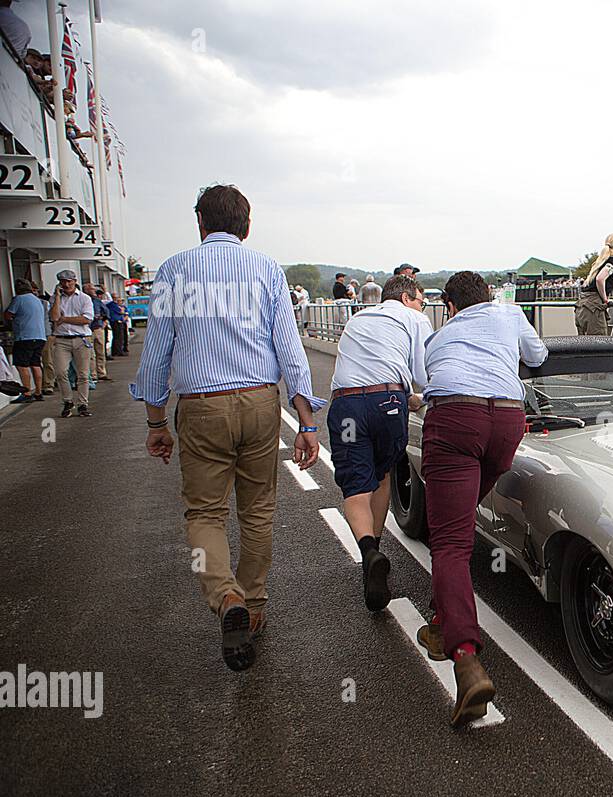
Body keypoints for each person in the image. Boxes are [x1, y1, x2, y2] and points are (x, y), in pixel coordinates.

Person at [132, 184, 323, 672]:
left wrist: (157, 421)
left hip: (200, 406)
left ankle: (227, 598)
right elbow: (289, 348)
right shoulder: (266, 270)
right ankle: (254, 607)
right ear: (247, 225)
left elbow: (157, 354)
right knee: (258, 510)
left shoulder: (174, 271)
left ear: (200, 224)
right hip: (260, 401)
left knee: (205, 513)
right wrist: (305, 421)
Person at [419, 271, 547, 727]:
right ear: (489, 296)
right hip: (508, 421)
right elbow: (539, 355)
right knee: (463, 517)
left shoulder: (438, 338)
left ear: (449, 305)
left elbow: (425, 380)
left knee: (450, 543)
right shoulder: (510, 313)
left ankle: (466, 656)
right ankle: (443, 616)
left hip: (456, 418)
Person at [328, 273, 431, 612]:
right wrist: (413, 398)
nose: (422, 305)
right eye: (420, 299)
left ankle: (369, 551)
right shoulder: (415, 319)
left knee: (356, 488)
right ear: (406, 299)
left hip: (346, 405)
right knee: (383, 473)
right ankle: (377, 546)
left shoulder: (358, 318)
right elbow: (421, 374)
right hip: (388, 403)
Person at [49, 270, 94, 417]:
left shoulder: (84, 298)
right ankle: (68, 401)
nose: (66, 284)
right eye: (63, 282)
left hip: (81, 338)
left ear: (75, 281)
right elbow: (55, 317)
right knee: (61, 372)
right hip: (62, 339)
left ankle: (83, 404)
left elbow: (87, 319)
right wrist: (56, 296)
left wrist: (65, 319)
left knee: (83, 374)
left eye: (69, 281)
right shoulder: (56, 299)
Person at [5, 278, 46, 403]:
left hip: (25, 337)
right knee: (36, 364)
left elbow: (8, 314)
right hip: (40, 336)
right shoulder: (37, 300)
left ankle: (27, 393)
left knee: (22, 365)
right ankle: (38, 392)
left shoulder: (19, 299)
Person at [574, 233, 613, 335]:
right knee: (598, 343)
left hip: (583, 305)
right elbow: (600, 279)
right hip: (593, 307)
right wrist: (605, 299)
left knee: (583, 344)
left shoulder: (600, 262)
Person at [90, 286, 112, 381]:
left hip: (98, 327)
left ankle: (101, 372)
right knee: (91, 354)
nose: (93, 291)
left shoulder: (97, 301)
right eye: (91, 289)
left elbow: (106, 311)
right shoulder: (83, 300)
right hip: (87, 329)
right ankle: (93, 374)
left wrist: (105, 321)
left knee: (100, 352)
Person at [107, 291, 128, 356]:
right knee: (118, 337)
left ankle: (118, 350)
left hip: (119, 322)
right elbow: (121, 312)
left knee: (120, 337)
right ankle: (118, 351)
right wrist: (122, 310)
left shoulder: (114, 305)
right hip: (116, 322)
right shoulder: (113, 305)